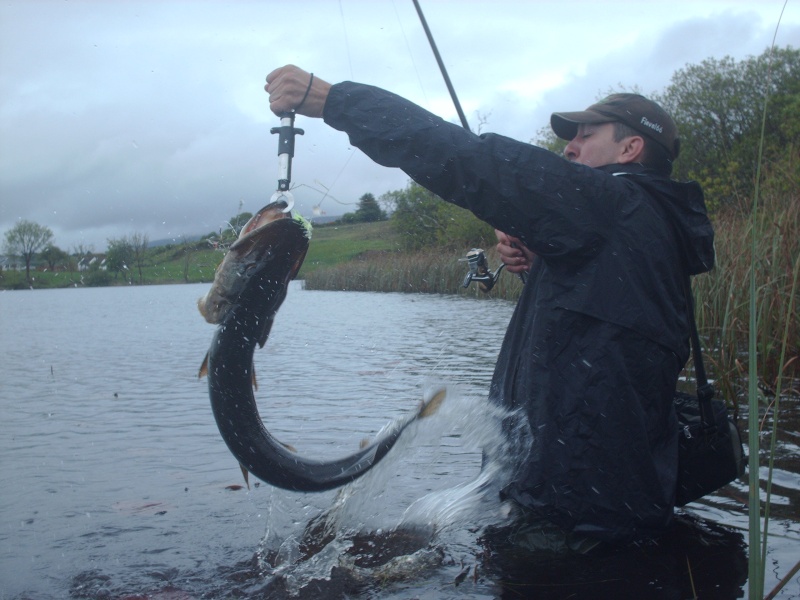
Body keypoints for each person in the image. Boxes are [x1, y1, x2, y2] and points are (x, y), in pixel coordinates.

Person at [265, 65, 715, 547]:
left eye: (587, 135)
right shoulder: (648, 221)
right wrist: (544, 258)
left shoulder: (614, 204)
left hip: (574, 522)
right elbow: (601, 322)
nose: (569, 146)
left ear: (631, 149)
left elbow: (473, 162)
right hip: (605, 506)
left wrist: (335, 101)